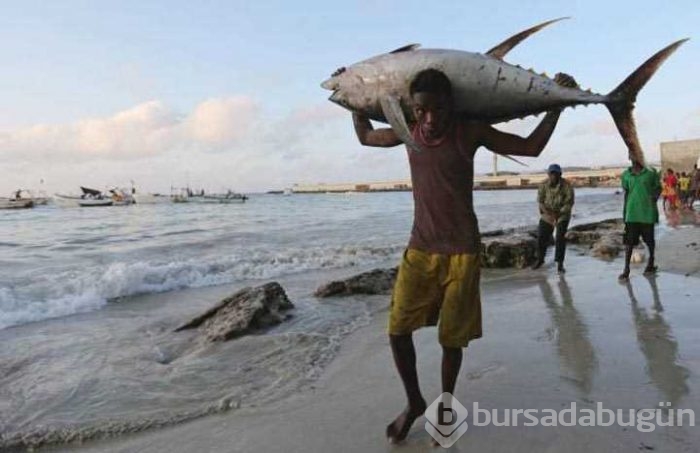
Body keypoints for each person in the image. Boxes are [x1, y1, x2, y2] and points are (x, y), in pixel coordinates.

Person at [351, 68, 577, 443]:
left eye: (437, 109)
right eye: (421, 110)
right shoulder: (408, 132)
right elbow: (365, 136)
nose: (429, 118)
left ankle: (445, 405)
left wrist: (558, 105)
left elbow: (531, 147)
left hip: (462, 252)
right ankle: (414, 401)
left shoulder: (468, 131)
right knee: (396, 331)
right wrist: (352, 92)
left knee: (451, 339)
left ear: (450, 105)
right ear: (413, 108)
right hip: (420, 248)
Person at [618, 161, 661, 281]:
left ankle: (651, 262)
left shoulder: (651, 172)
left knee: (649, 241)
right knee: (629, 243)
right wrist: (625, 213)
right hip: (632, 214)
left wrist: (655, 197)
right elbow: (627, 193)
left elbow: (658, 188)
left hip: (647, 213)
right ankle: (626, 269)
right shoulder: (626, 174)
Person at [533, 164, 574, 274]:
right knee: (542, 236)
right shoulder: (543, 185)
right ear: (548, 174)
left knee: (560, 237)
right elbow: (540, 202)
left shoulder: (567, 185)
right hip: (547, 213)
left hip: (562, 214)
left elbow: (569, 202)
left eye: (555, 174)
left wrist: (559, 213)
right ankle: (540, 259)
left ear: (559, 175)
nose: (553, 176)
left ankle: (560, 263)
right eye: (551, 174)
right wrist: (548, 213)